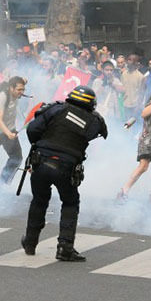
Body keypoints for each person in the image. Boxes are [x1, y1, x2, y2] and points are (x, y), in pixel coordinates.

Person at [21, 86, 107, 262]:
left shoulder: (55, 109)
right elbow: (96, 135)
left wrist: (42, 144)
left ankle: (30, 243)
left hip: (41, 161)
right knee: (70, 202)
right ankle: (65, 247)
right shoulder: (94, 120)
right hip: (66, 167)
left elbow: (32, 130)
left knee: (39, 200)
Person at [0, 76, 26, 184]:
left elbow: (22, 81)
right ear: (11, 88)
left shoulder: (16, 88)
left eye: (23, 90)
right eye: (19, 90)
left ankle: (3, 182)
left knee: (17, 158)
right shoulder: (3, 97)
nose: (22, 92)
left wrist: (23, 81)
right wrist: (8, 133)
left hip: (10, 131)